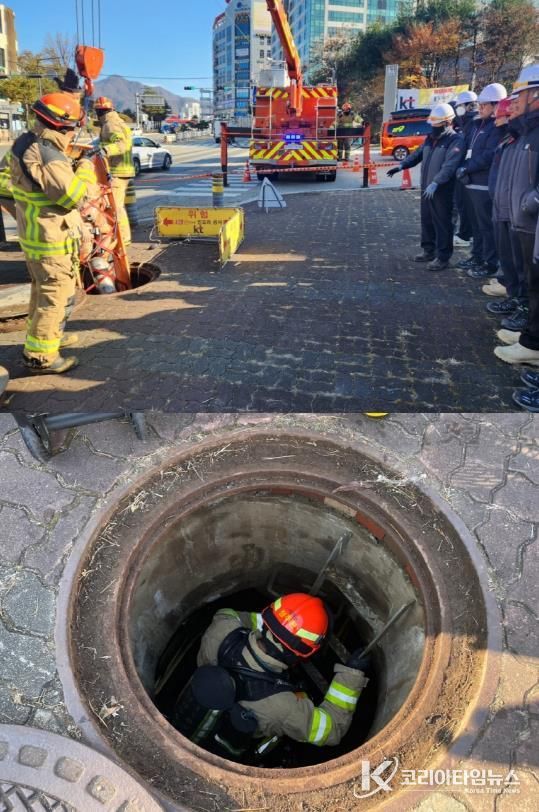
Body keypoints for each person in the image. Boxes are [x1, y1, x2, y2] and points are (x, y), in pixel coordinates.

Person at [177, 593, 370, 759]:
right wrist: (351, 675)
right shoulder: (284, 708)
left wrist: (276, 628)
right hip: (234, 745)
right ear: (304, 654)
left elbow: (228, 614)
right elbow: (332, 729)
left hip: (187, 712)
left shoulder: (221, 629)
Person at [9, 92, 96, 374]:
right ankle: (41, 357)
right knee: (54, 295)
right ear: (60, 125)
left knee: (43, 292)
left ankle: (48, 339)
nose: (73, 134)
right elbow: (73, 197)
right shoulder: (47, 153)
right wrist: (84, 168)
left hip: (36, 235)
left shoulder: (25, 142)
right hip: (52, 239)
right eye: (71, 129)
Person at [494, 63, 539, 378]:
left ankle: (532, 342)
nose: (515, 102)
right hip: (519, 220)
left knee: (533, 282)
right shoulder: (525, 134)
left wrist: (530, 202)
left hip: (529, 221)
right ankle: (531, 335)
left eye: (521, 95)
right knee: (530, 282)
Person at [387, 103, 464, 271]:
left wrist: (437, 182)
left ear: (447, 123)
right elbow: (417, 155)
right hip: (427, 188)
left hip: (443, 190)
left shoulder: (455, 140)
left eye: (437, 124)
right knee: (427, 220)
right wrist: (402, 166)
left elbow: (450, 166)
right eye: (432, 123)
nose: (433, 127)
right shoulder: (431, 138)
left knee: (443, 223)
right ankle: (428, 250)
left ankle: (443, 257)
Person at [455, 83, 507, 279]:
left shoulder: (497, 128)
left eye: (485, 105)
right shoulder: (478, 125)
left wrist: (467, 166)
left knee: (486, 227)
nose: (480, 108)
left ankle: (490, 263)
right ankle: (477, 256)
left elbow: (489, 155)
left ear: (497, 105)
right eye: (480, 104)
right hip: (470, 182)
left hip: (484, 184)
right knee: (476, 225)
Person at [486, 96, 527, 330]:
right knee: (510, 259)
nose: (498, 120)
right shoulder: (510, 140)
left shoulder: (525, 139)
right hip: (503, 208)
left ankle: (524, 309)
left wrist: (528, 203)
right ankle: (514, 298)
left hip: (519, 214)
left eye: (503, 116)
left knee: (523, 268)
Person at [94, 96, 135, 249]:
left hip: (117, 171)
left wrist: (104, 151)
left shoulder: (110, 123)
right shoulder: (114, 121)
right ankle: (121, 237)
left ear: (99, 111)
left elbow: (121, 144)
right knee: (116, 206)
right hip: (121, 170)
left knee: (116, 207)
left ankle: (123, 240)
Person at [453, 90, 479, 246]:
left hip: (467, 172)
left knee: (466, 206)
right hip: (464, 171)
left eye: (460, 106)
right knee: (464, 205)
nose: (458, 109)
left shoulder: (472, 123)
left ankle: (465, 235)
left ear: (468, 106)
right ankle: (466, 233)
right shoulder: (466, 123)